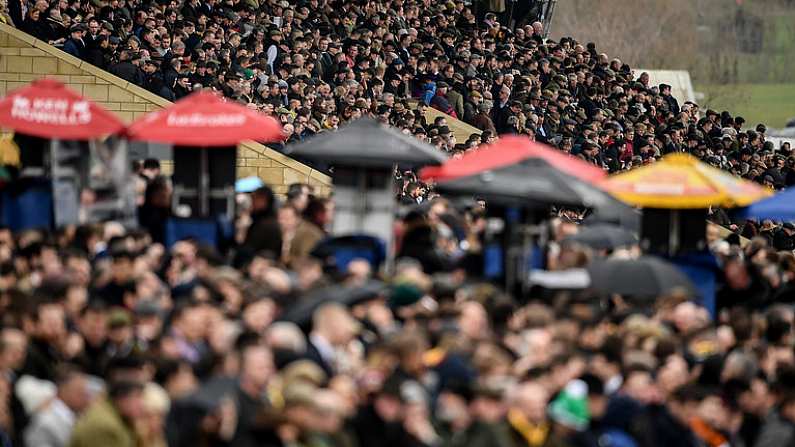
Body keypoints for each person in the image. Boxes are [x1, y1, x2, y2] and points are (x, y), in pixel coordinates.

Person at [24, 364, 92, 447]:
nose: (87, 398)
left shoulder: (78, 415)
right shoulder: (44, 422)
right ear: (64, 391)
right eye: (81, 393)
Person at [69, 380, 144, 447]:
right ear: (122, 398)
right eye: (137, 397)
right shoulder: (105, 425)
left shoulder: (114, 414)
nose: (141, 404)